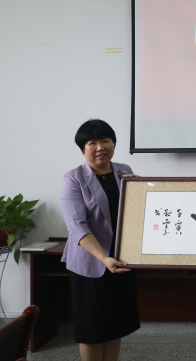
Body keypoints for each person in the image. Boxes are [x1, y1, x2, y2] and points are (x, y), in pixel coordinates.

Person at [60, 119, 140, 361]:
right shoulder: (73, 178)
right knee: (93, 331)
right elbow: (77, 226)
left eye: (105, 141)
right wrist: (104, 258)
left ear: (113, 144)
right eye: (91, 143)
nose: (100, 147)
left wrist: (141, 189)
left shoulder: (123, 170)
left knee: (115, 326)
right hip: (91, 262)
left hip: (121, 259)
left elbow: (132, 213)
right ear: (82, 149)